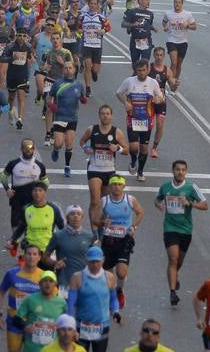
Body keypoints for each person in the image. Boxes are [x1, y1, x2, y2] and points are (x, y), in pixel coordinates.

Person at [67, 245, 121, 352]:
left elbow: (113, 299)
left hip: (101, 326)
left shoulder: (109, 277)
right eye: (91, 262)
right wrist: (71, 324)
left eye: (97, 262)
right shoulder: (78, 277)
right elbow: (71, 304)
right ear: (86, 261)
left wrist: (116, 311)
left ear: (103, 261)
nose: (95, 265)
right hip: (81, 327)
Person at [155, 160, 208, 306]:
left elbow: (205, 205)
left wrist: (190, 203)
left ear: (186, 172)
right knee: (173, 258)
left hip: (185, 230)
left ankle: (174, 275)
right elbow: (157, 199)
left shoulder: (191, 188)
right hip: (170, 228)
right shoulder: (165, 187)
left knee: (179, 261)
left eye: (183, 170)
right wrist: (159, 204)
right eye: (177, 169)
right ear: (173, 171)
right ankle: (172, 293)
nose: (180, 172)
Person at [0, 244, 45, 352]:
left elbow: (53, 298)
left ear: (39, 257)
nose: (31, 257)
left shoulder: (44, 277)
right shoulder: (12, 274)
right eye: (29, 254)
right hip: (15, 321)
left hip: (34, 323)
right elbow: (1, 293)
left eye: (35, 254)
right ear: (24, 256)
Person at [15, 270, 68, 352]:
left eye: (50, 281)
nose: (47, 284)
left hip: (52, 351)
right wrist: (26, 326)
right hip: (31, 351)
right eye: (44, 281)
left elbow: (67, 322)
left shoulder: (61, 303)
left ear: (55, 284)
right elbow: (16, 319)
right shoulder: (30, 299)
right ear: (39, 283)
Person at [96, 175, 144, 310]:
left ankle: (119, 290)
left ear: (123, 186)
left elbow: (140, 212)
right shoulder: (104, 201)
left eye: (119, 184)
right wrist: (102, 222)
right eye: (114, 184)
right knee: (109, 275)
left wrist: (134, 227)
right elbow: (96, 220)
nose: (116, 187)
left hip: (124, 240)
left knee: (121, 273)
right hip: (109, 240)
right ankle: (112, 296)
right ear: (110, 187)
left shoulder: (130, 200)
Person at [79, 105, 128, 234]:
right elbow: (82, 141)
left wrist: (118, 149)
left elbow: (127, 149)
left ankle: (101, 227)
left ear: (111, 116)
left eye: (107, 113)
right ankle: (94, 231)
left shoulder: (117, 132)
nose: (105, 116)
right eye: (102, 113)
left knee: (105, 203)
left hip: (109, 171)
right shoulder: (92, 129)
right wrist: (86, 148)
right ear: (99, 115)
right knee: (95, 201)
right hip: (94, 169)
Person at [116, 59, 165, 182]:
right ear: (135, 70)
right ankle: (133, 161)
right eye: (139, 71)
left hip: (146, 120)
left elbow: (161, 97)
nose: (142, 73)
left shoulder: (153, 82)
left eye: (144, 70)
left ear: (148, 69)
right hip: (132, 119)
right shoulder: (129, 81)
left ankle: (140, 171)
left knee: (144, 148)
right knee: (134, 147)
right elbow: (118, 93)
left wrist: (158, 100)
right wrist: (125, 103)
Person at [48, 61, 88, 178]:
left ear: (74, 70)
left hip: (72, 118)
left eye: (70, 68)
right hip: (60, 117)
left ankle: (67, 167)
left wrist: (83, 100)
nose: (68, 70)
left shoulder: (79, 85)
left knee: (69, 144)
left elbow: (82, 97)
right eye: (66, 68)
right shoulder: (57, 84)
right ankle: (56, 149)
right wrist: (51, 106)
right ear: (63, 70)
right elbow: (49, 98)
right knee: (59, 143)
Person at [44, 206, 94, 297]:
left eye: (78, 214)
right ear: (67, 218)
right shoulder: (58, 235)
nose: (76, 216)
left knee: (82, 310)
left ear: (82, 218)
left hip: (84, 282)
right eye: (72, 214)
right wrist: (55, 263)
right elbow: (45, 257)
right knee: (65, 309)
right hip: (64, 283)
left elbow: (95, 258)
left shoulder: (89, 237)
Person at [0, 139, 48, 232]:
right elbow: (3, 176)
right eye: (25, 148)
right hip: (16, 199)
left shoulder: (40, 166)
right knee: (15, 225)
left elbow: (45, 181)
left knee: (31, 226)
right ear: (21, 149)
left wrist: (43, 193)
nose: (28, 150)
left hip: (33, 200)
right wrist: (7, 189)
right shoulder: (13, 164)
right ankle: (15, 244)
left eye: (30, 148)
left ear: (34, 149)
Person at [8, 181, 65, 257]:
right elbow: (21, 227)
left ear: (45, 193)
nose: (37, 193)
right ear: (31, 192)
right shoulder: (26, 209)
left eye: (40, 190)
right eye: (35, 190)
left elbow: (62, 228)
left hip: (48, 252)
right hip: (30, 251)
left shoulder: (53, 209)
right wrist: (11, 240)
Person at [148, 47, 177, 159]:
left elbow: (172, 86)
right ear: (154, 55)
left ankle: (154, 148)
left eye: (161, 55)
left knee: (160, 126)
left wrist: (175, 85)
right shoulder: (149, 68)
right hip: (148, 102)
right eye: (157, 55)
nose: (159, 57)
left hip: (161, 102)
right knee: (148, 126)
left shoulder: (167, 70)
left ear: (164, 56)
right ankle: (143, 144)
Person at [3, 28, 34, 129]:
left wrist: (31, 59)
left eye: (24, 36)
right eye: (19, 35)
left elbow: (30, 57)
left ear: (26, 37)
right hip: (12, 75)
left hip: (23, 75)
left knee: (21, 96)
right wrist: (12, 58)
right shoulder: (10, 46)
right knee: (11, 97)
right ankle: (10, 111)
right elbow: (2, 58)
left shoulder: (28, 46)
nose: (21, 38)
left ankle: (20, 119)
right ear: (16, 36)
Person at [161, 0, 197, 84]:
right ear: (173, 3)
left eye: (179, 2)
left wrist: (187, 26)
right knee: (173, 62)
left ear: (182, 4)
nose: (177, 4)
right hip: (171, 40)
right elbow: (164, 22)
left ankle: (175, 80)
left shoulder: (187, 14)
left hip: (183, 41)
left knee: (178, 64)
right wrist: (165, 27)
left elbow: (195, 26)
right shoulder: (168, 13)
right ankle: (171, 82)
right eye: (175, 2)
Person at [79, 0, 109, 97]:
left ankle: (93, 71)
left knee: (95, 69)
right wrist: (79, 31)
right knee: (87, 65)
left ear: (98, 5)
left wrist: (103, 30)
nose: (92, 5)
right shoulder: (83, 17)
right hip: (86, 44)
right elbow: (78, 27)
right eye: (91, 4)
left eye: (94, 4)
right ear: (88, 4)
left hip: (97, 45)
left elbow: (108, 26)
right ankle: (88, 88)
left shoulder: (101, 17)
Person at [123, 0, 156, 71]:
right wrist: (132, 25)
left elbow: (147, 25)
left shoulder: (150, 14)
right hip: (135, 40)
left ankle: (143, 80)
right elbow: (123, 24)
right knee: (135, 64)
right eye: (146, 0)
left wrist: (152, 28)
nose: (149, 2)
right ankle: (136, 78)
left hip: (146, 40)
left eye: (149, 0)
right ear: (140, 1)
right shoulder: (132, 11)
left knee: (145, 62)